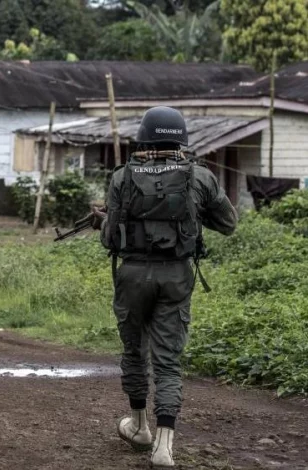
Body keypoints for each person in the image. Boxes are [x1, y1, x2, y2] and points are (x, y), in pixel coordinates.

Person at [90, 106, 237, 468]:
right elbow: (228, 223)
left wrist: (106, 222)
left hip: (132, 276)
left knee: (134, 352)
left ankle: (139, 428)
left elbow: (110, 238)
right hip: (176, 276)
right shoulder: (200, 176)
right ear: (181, 140)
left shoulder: (122, 177)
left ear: (143, 139)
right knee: (168, 361)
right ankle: (164, 448)